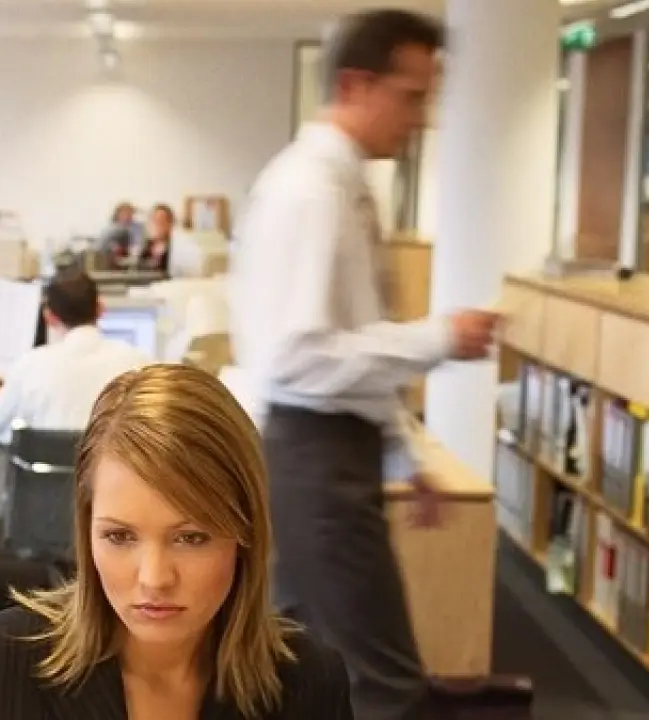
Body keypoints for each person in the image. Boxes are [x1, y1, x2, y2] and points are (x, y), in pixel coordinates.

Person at [228, 10, 500, 720]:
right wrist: (438, 338)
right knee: (383, 685)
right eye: (411, 97)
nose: (422, 119)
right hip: (314, 455)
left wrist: (403, 452)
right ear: (355, 85)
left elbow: (351, 338)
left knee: (309, 671)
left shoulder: (342, 187)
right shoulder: (311, 191)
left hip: (329, 452)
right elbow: (295, 357)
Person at [0, 364, 354, 719]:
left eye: (190, 538)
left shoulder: (310, 686)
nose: (154, 579)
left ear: (246, 533)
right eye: (119, 536)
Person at [0, 271, 149, 446]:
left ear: (48, 317)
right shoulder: (139, 364)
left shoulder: (29, 365)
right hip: (108, 462)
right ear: (100, 308)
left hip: (42, 463)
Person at [139, 203, 174, 273]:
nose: (157, 224)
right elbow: (139, 268)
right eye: (154, 220)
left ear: (169, 223)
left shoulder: (174, 247)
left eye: (161, 220)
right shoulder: (147, 246)